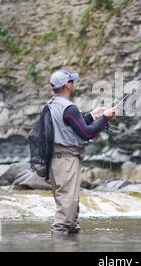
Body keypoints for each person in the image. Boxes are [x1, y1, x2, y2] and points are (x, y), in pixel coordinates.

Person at [47, 69, 115, 237]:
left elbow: (72, 127)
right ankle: (58, 244)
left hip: (55, 161)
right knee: (65, 214)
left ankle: (70, 244)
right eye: (72, 81)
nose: (74, 84)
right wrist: (105, 118)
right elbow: (86, 133)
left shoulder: (51, 105)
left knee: (70, 210)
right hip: (67, 161)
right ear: (67, 86)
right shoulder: (69, 108)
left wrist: (93, 115)